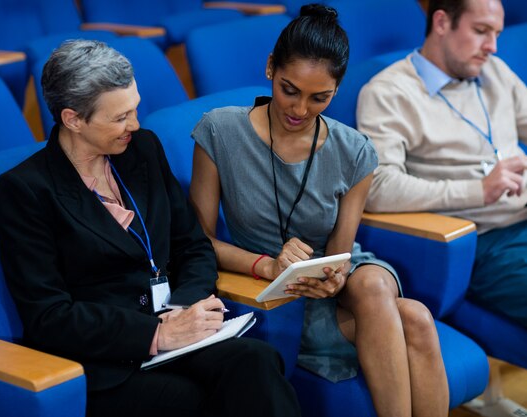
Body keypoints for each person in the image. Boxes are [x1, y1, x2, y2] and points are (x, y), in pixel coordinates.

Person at [0, 39, 301, 417]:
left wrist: (183, 308)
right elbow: (49, 316)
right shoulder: (25, 190)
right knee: (188, 399)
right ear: (73, 119)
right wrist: (156, 334)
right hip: (106, 358)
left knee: (256, 362)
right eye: (120, 118)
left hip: (178, 330)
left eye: (134, 110)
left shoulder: (143, 149)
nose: (134, 125)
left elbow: (192, 245)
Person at [190, 5, 449, 417]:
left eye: (319, 98)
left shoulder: (355, 150)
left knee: (375, 288)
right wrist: (267, 265)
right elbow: (197, 242)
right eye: (289, 89)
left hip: (349, 284)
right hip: (278, 293)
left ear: (336, 89)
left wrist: (333, 276)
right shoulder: (220, 131)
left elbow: (341, 255)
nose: (299, 110)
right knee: (415, 318)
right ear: (271, 68)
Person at [357, 0, 527, 328]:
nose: (492, 46)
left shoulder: (494, 70)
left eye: (496, 33)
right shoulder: (389, 93)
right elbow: (378, 187)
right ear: (441, 22)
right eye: (480, 31)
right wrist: (477, 190)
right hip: (482, 242)